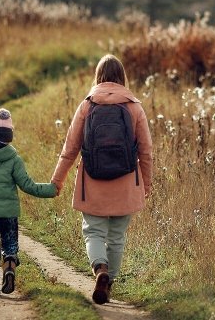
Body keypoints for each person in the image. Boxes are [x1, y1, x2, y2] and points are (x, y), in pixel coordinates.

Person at [51, 54, 153, 304]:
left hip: (92, 181)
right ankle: (110, 283)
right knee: (117, 237)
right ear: (122, 77)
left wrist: (57, 181)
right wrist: (146, 185)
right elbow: (146, 152)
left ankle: (100, 270)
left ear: (98, 76)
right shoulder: (134, 106)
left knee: (94, 232)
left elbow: (70, 148)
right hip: (126, 181)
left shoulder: (88, 105)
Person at [0, 108, 59, 295]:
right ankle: (9, 264)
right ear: (9, 137)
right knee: (10, 243)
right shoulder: (14, 159)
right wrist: (52, 189)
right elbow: (27, 185)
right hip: (9, 213)